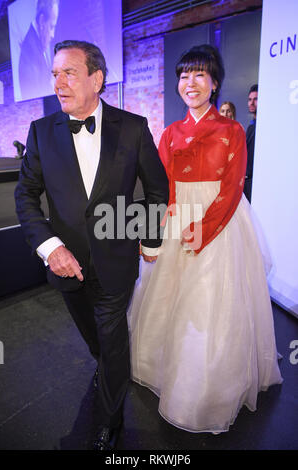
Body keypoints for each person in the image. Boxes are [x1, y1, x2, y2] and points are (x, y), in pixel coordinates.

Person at [15, 39, 169, 450]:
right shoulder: (40, 131)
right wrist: (50, 247)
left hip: (116, 261)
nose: (58, 83)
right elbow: (25, 196)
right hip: (65, 266)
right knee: (97, 341)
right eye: (54, 74)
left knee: (113, 337)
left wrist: (148, 238)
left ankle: (109, 421)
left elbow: (157, 189)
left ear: (97, 78)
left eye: (69, 73)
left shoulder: (133, 127)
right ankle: (108, 368)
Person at [127, 45, 282, 434]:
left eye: (199, 75)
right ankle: (164, 368)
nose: (189, 83)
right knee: (167, 299)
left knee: (211, 305)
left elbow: (231, 189)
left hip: (220, 224)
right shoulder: (170, 132)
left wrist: (205, 229)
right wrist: (151, 234)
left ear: (214, 83)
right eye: (183, 75)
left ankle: (206, 388)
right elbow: (159, 188)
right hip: (176, 220)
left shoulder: (231, 131)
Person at [19, 0, 59, 100]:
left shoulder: (38, 41)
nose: (53, 35)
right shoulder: (30, 52)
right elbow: (38, 89)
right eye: (51, 27)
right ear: (42, 21)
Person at [244, 84, 258, 202]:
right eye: (249, 99)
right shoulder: (250, 127)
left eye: (255, 99)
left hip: (256, 182)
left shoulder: (264, 126)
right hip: (246, 182)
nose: (251, 103)